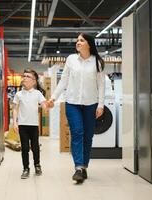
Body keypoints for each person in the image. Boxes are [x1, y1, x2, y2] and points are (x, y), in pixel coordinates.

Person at [47, 33, 105, 183]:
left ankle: (84, 166)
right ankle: (78, 167)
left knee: (88, 136)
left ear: (89, 44)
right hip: (72, 103)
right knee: (77, 132)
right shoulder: (71, 59)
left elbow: (101, 85)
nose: (78, 42)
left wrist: (101, 104)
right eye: (77, 40)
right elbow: (64, 80)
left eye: (81, 40)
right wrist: (53, 97)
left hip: (91, 104)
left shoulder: (97, 62)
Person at [13, 68, 48, 179]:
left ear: (34, 81)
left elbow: (44, 105)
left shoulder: (37, 93)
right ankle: (25, 168)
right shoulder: (19, 94)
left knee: (35, 147)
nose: (24, 78)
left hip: (34, 125)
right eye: (24, 76)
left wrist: (47, 106)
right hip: (23, 125)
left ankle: (37, 165)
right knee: (24, 148)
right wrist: (15, 122)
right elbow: (15, 109)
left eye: (28, 76)